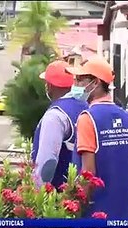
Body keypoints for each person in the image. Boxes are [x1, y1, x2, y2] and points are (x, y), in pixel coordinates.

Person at [67, 56, 128, 228]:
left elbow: (88, 173)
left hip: (93, 213)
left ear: (95, 83)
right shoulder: (127, 118)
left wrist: (74, 209)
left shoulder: (87, 118)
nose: (75, 83)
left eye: (80, 79)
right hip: (119, 209)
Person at [31, 60, 88, 190]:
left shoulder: (55, 116)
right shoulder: (85, 107)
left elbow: (47, 161)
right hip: (78, 192)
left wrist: (37, 193)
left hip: (59, 196)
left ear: (49, 86)